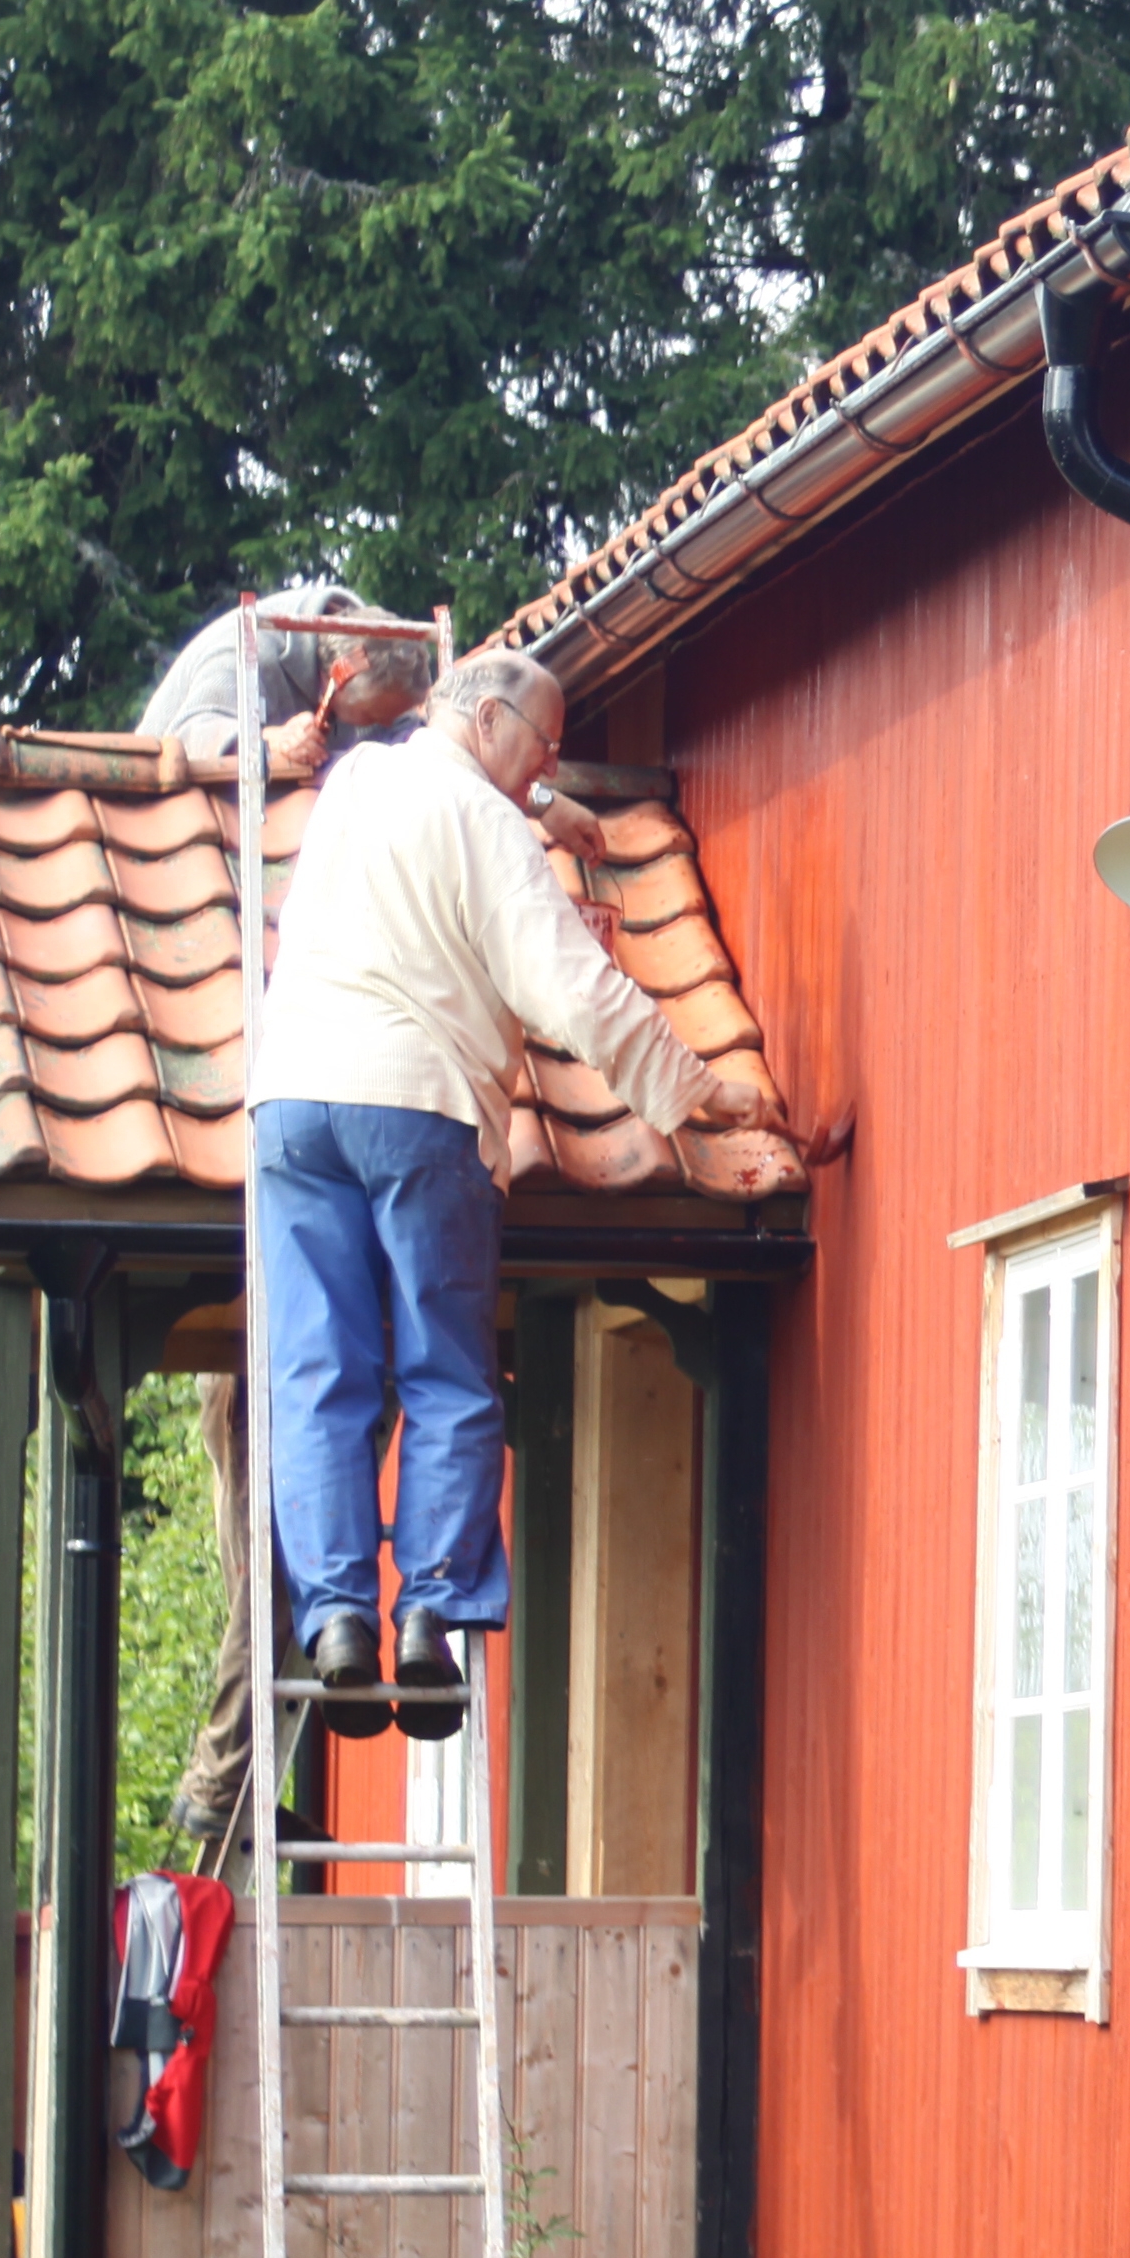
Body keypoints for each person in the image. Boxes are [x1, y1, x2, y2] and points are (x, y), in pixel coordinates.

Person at [245, 649, 775, 1726]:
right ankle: (431, 1619)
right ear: (489, 723)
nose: (543, 769)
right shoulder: (486, 825)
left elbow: (465, 782)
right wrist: (694, 1091)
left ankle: (338, 1618)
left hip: (291, 1104)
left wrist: (544, 803)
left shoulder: (356, 784)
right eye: (540, 745)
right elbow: (573, 991)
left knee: (319, 1370)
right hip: (418, 1105)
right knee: (445, 1372)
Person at [137, 581, 434, 779]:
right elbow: (189, 734)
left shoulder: (377, 652)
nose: (382, 726)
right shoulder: (247, 649)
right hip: (157, 810)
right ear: (331, 683)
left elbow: (401, 729)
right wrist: (271, 740)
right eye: (371, 716)